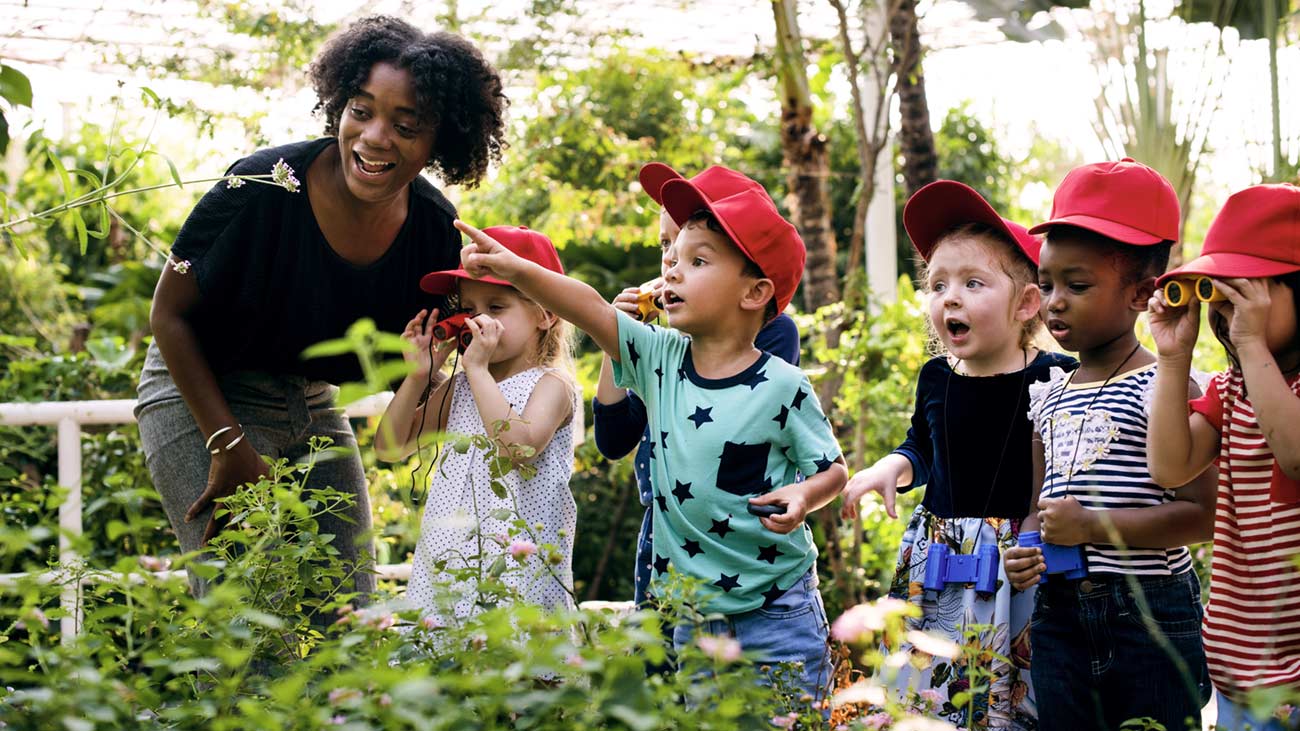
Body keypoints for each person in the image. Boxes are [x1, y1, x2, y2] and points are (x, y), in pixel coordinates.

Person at [135, 15, 508, 604]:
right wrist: (229, 446)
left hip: (308, 398)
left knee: (347, 613)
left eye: (406, 124)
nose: (375, 136)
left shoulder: (435, 231)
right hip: (199, 391)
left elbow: (441, 366)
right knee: (250, 615)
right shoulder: (260, 185)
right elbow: (167, 316)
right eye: (361, 110)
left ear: (442, 140)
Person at [453, 164, 848, 708]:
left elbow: (833, 469)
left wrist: (804, 495)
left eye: (697, 260)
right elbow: (587, 306)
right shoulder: (658, 355)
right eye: (673, 255)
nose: (673, 270)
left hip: (777, 608)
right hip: (688, 610)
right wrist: (517, 270)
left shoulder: (783, 383)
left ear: (755, 292)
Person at [841, 180, 1072, 729]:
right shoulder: (937, 376)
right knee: (929, 696)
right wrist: (890, 467)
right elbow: (923, 444)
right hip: (937, 564)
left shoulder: (1053, 376)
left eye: (973, 282)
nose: (950, 297)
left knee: (1013, 701)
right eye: (938, 283)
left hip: (1018, 564)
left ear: (1026, 303)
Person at [1004, 159, 1214, 731]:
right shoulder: (1048, 392)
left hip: (1147, 612)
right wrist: (1026, 549)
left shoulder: (1164, 387)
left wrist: (1093, 526)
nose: (1054, 302)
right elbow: (1037, 501)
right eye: (1046, 285)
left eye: (1078, 286)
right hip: (1058, 614)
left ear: (1142, 293)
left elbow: (1200, 516)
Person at [592, 162, 800, 612]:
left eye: (693, 254)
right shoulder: (660, 344)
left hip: (740, 545)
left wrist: (670, 341)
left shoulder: (775, 334)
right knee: (664, 670)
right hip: (666, 531)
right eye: (666, 245)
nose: (670, 261)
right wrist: (618, 340)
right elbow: (612, 440)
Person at [1146, 184, 1300, 731]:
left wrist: (1254, 345)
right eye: (1220, 299)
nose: (1229, 317)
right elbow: (1170, 466)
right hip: (1238, 667)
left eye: (1245, 296)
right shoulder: (1231, 388)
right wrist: (1172, 355)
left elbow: (1294, 454)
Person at [375, 226, 578, 622]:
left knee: (519, 675)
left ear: (546, 314)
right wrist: (418, 376)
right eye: (468, 308)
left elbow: (516, 449)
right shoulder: (464, 383)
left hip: (518, 578)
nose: (476, 320)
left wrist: (477, 370)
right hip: (449, 570)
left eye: (496, 307)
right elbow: (390, 446)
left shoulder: (552, 385)